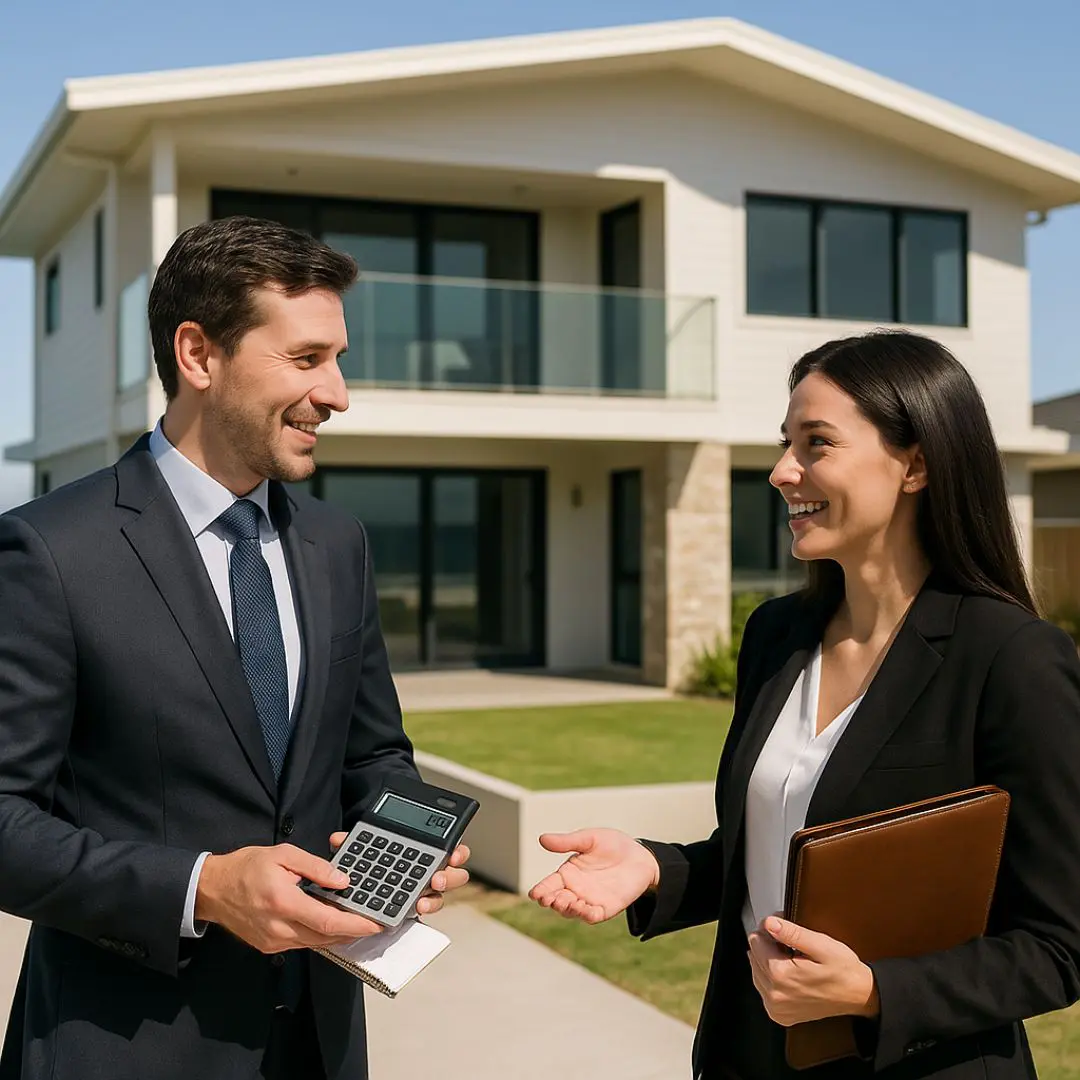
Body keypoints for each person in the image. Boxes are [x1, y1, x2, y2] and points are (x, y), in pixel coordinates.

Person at [529, 330, 1080, 1080]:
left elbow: (1058, 942)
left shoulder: (1011, 657)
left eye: (817, 443)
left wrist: (874, 991)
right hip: (747, 1055)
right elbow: (792, 853)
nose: (783, 471)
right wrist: (657, 869)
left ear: (916, 462)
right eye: (786, 442)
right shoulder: (776, 635)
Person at [0, 215, 470, 1080]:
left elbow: (371, 752)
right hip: (127, 1048)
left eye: (339, 359)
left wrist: (404, 838)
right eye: (306, 359)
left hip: (318, 1044)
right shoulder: (50, 553)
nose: (337, 393)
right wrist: (203, 887)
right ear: (198, 355)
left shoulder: (339, 545)